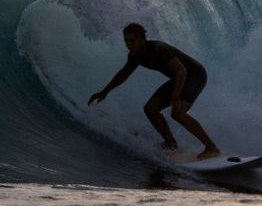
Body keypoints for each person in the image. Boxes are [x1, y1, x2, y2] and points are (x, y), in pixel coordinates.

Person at [89, 23, 221, 159]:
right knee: (150, 108)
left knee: (177, 113)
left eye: (131, 40)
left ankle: (211, 147)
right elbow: (123, 74)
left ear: (141, 39)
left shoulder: (158, 49)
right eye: (126, 40)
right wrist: (104, 91)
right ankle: (171, 143)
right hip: (179, 78)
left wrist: (175, 96)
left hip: (194, 75)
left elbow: (181, 70)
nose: (128, 44)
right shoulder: (135, 56)